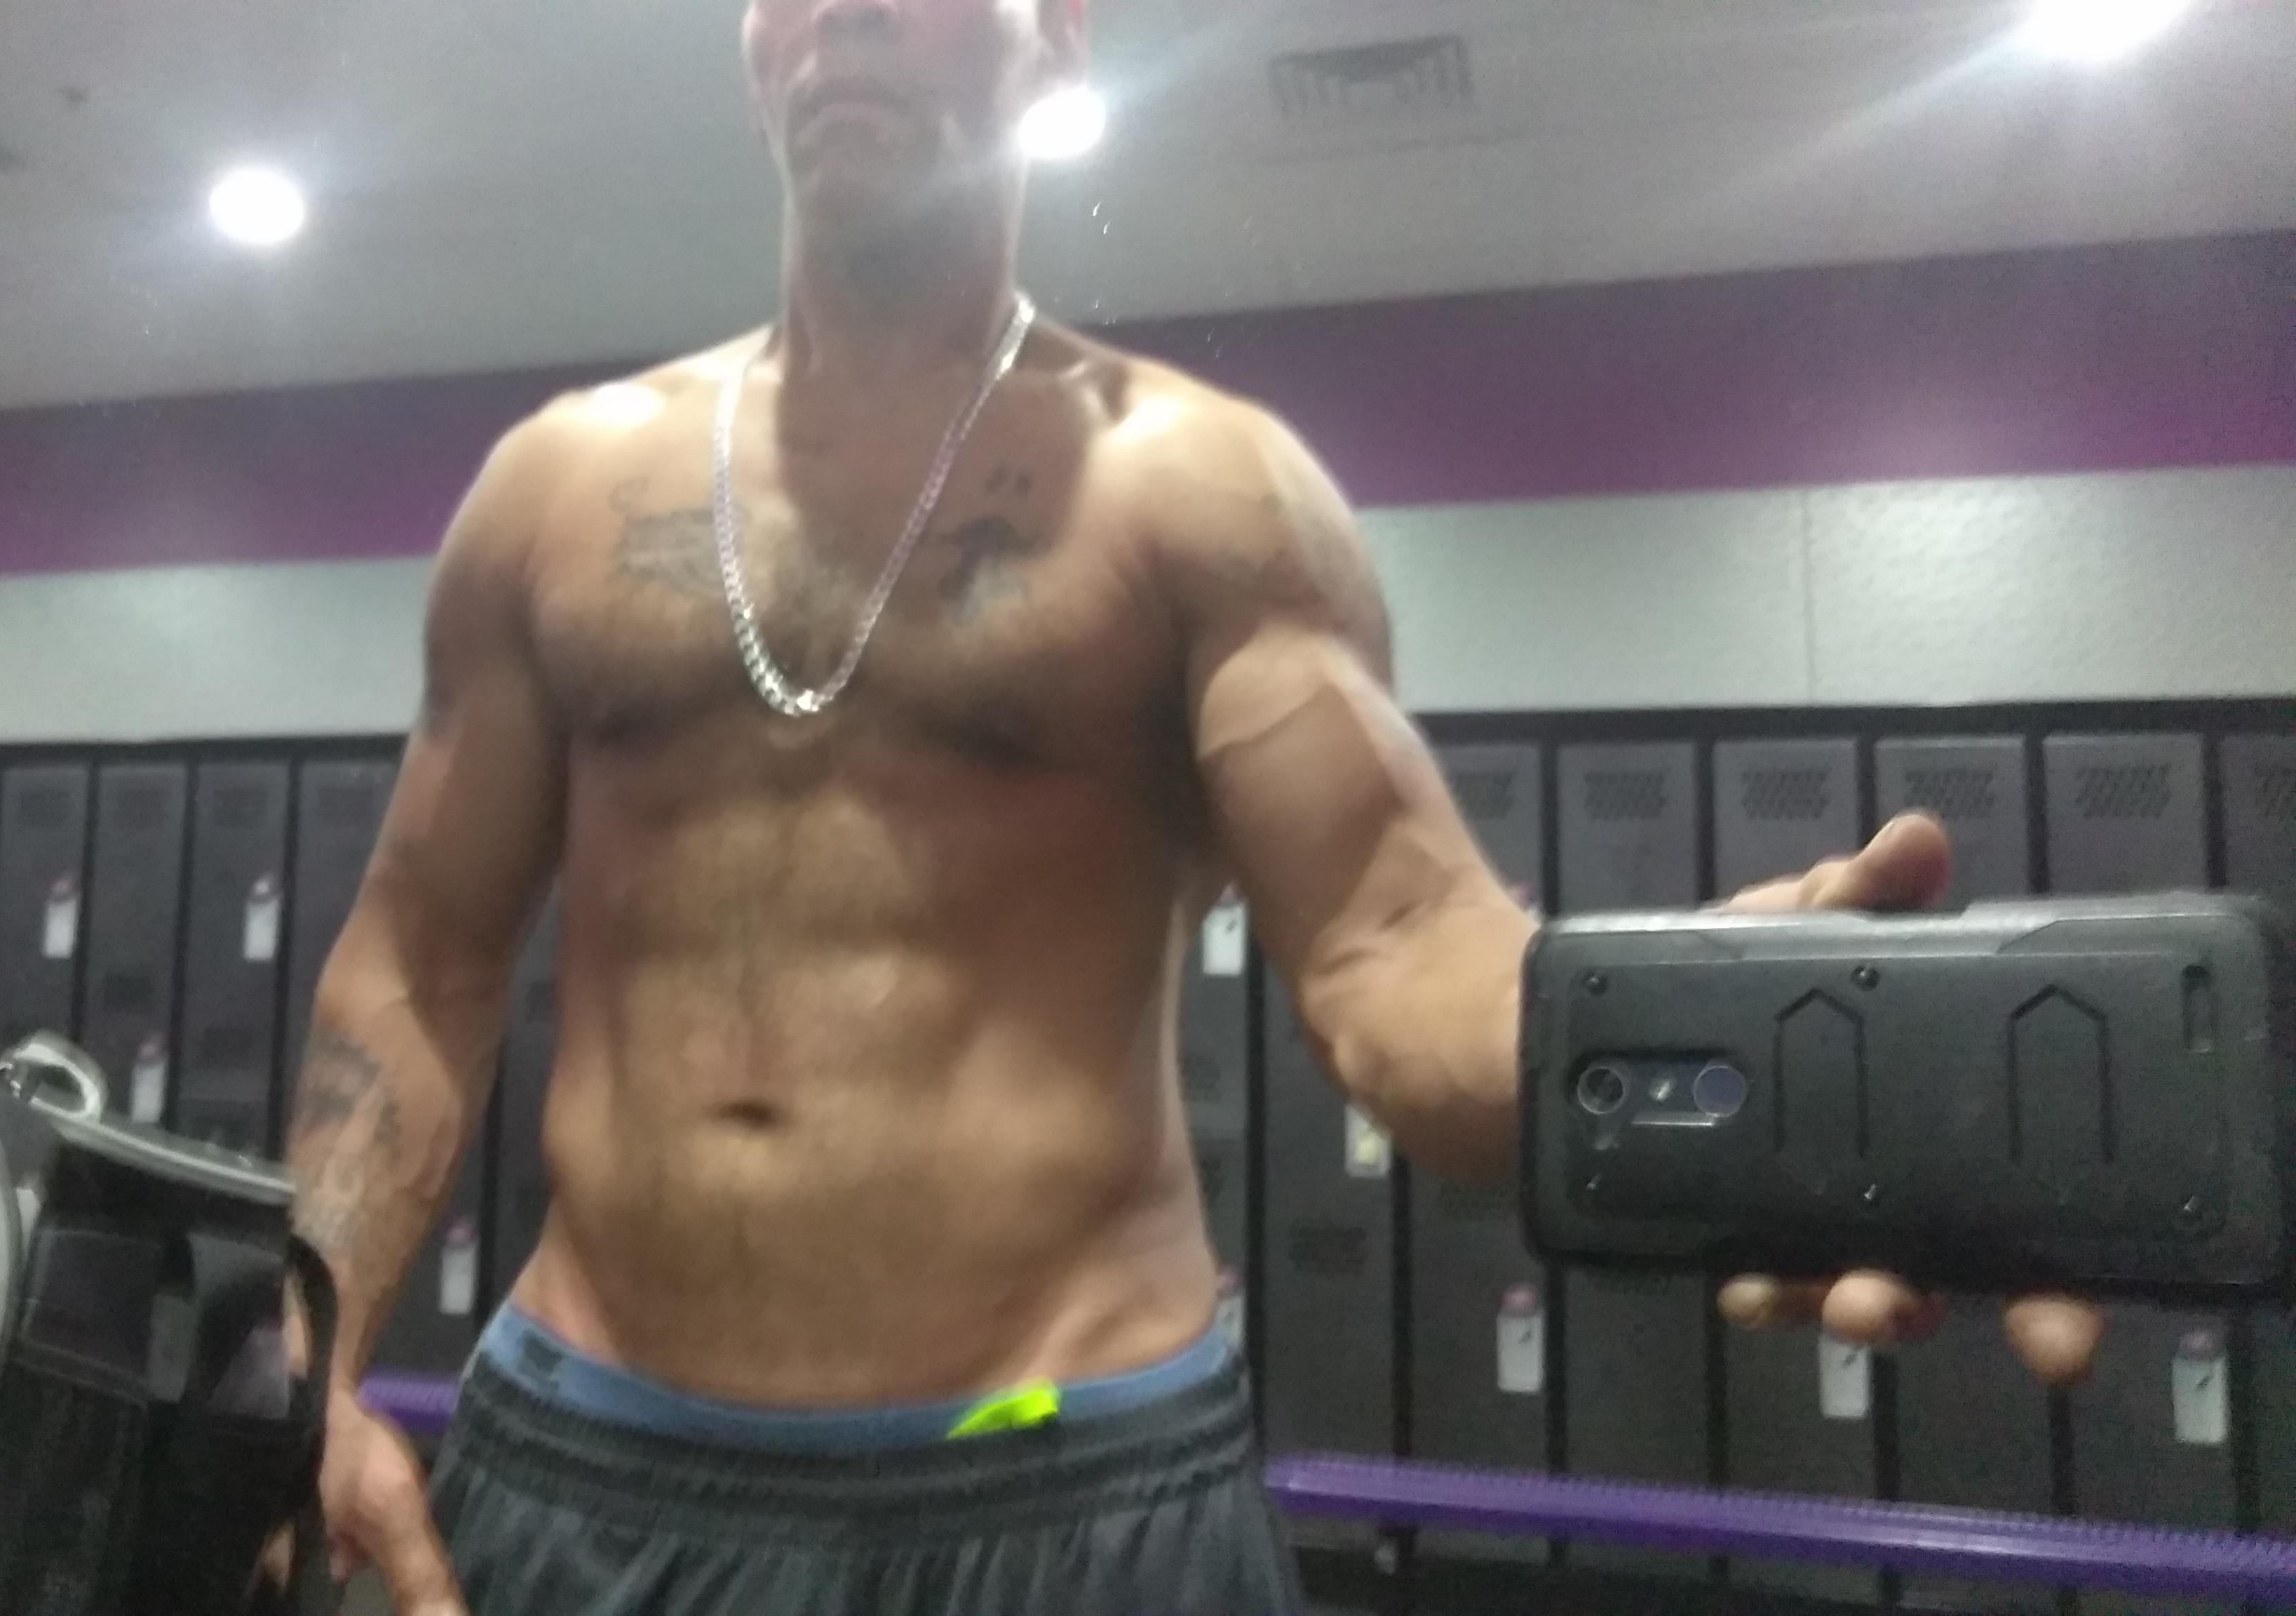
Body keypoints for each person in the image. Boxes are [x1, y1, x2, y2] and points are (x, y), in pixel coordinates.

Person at [283, 1, 2105, 1610]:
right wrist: (305, 1369)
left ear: (1060, 34)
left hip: (1062, 1487)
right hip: (586, 1470)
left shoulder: (1200, 494)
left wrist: (1690, 1043)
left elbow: (1399, 947)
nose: (852, 8)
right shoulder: (556, 495)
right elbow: (417, 963)